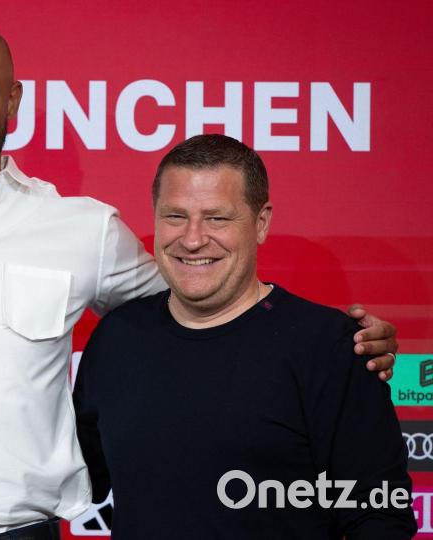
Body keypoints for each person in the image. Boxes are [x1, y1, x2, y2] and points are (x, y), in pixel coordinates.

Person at [0, 20, 399, 540]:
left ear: (14, 102)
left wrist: (331, 349)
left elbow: (200, 308)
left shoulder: (83, 229)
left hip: (24, 531)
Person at [73, 134, 416, 538]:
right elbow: (74, 477)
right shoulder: (118, 337)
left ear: (261, 223)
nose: (193, 238)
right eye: (175, 216)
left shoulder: (332, 347)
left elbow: (379, 516)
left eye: (217, 217)